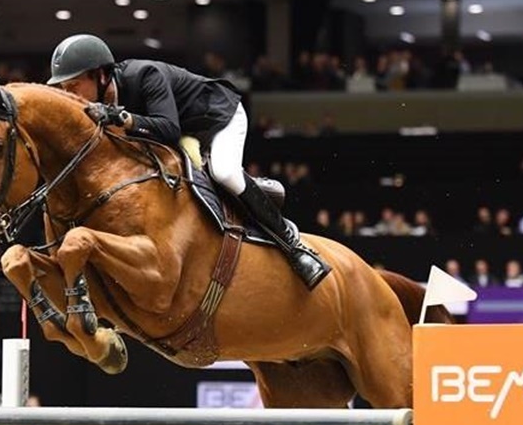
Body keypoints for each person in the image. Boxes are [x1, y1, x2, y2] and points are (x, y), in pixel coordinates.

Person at [46, 33, 330, 288]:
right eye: (64, 89)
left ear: (100, 75)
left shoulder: (146, 75)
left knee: (224, 173)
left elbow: (169, 130)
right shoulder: (100, 106)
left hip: (219, 118)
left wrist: (123, 118)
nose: (68, 96)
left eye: (73, 86)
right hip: (188, 134)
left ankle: (293, 245)